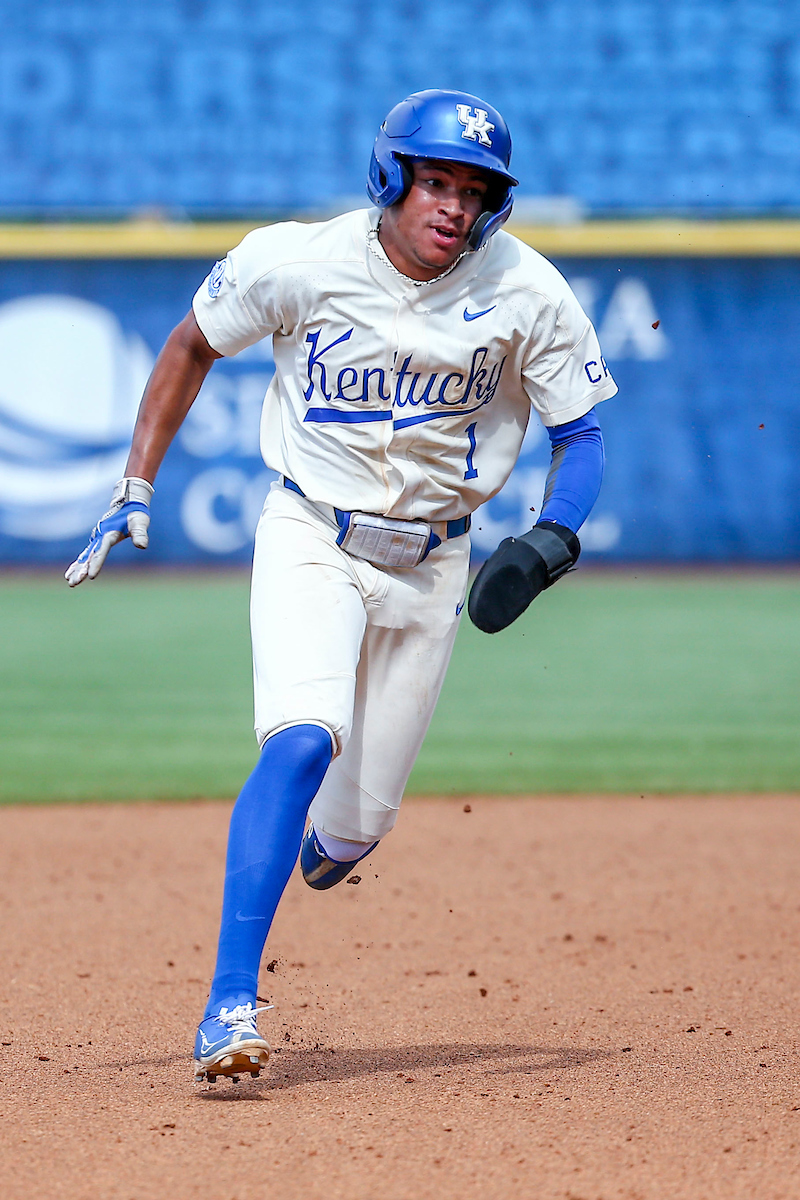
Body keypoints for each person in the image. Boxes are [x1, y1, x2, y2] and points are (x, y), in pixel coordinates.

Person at [65, 89, 617, 1083]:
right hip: (310, 536)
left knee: (353, 831)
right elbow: (192, 340)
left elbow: (577, 436)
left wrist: (551, 538)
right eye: (434, 180)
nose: (450, 205)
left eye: (472, 190)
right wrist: (134, 480)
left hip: (432, 567)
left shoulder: (525, 291)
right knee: (301, 738)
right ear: (391, 177)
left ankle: (323, 843)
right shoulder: (299, 261)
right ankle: (229, 1005)